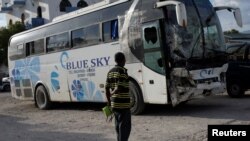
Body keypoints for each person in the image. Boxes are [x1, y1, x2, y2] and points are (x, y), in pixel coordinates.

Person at [105, 52, 131, 141]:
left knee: (118, 127)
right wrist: (113, 93)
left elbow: (106, 88)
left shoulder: (110, 72)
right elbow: (118, 87)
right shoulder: (122, 71)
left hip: (114, 105)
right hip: (123, 105)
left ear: (115, 60)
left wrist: (109, 101)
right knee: (125, 128)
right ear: (123, 60)